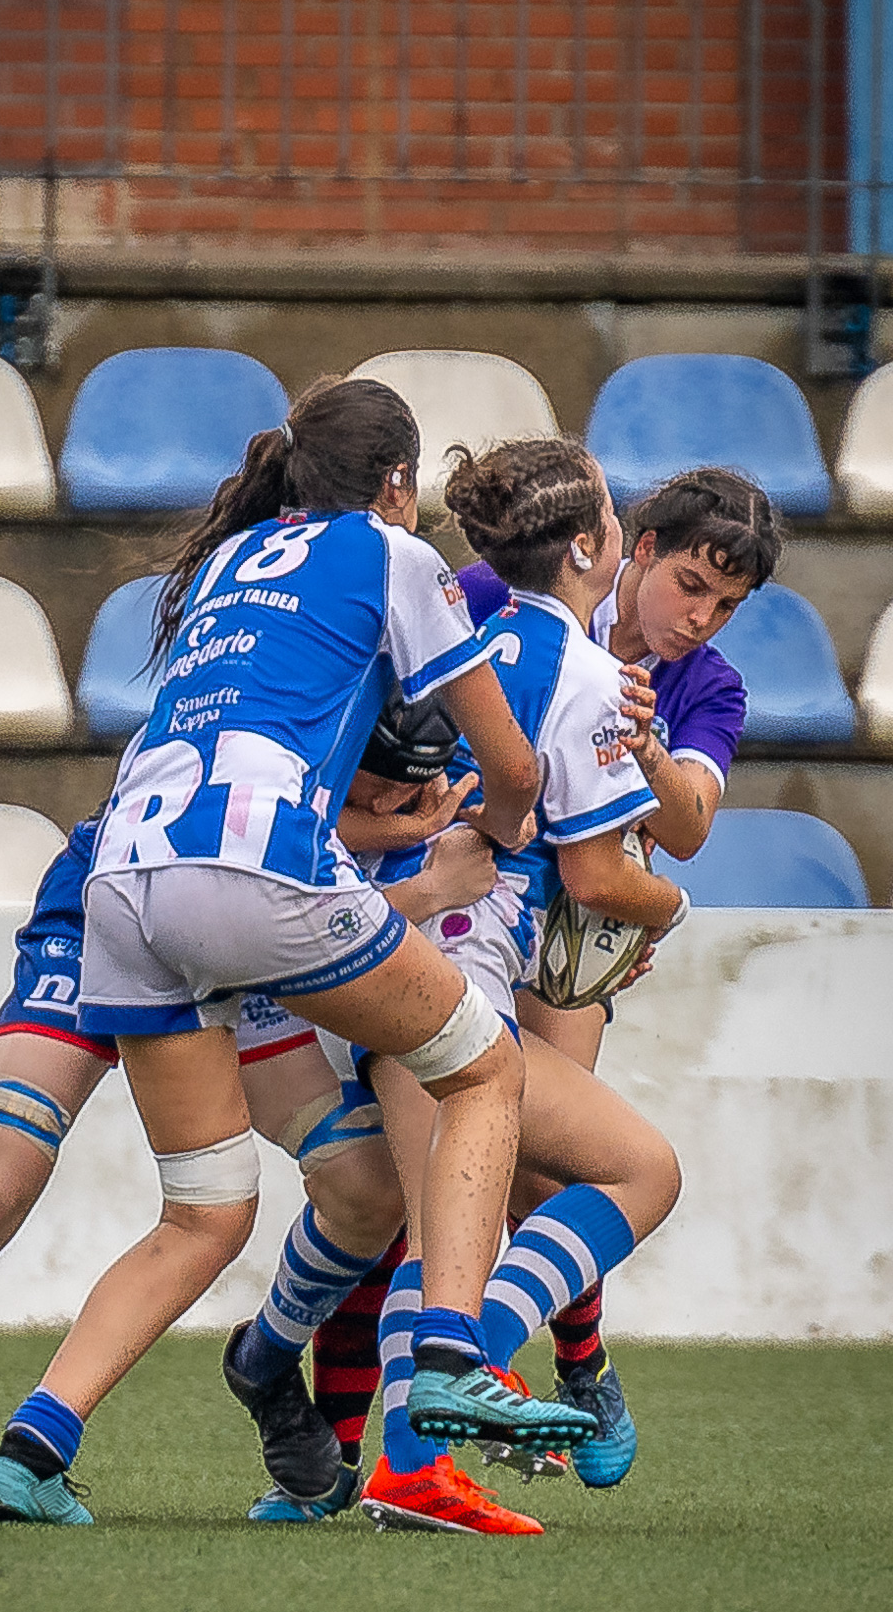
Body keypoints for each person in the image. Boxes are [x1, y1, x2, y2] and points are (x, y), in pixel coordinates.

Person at [0, 375, 603, 1525]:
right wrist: (499, 834)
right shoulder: (395, 554)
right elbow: (511, 766)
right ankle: (450, 1355)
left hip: (123, 886)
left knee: (207, 1211)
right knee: (482, 1069)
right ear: (398, 483)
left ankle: (31, 1452)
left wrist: (387, 830)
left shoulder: (227, 562)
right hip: (257, 876)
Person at [232, 436, 690, 1534]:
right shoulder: (588, 677)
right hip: (452, 982)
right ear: (587, 547)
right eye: (613, 516)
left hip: (378, 955)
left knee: (437, 1223)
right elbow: (598, 876)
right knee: (640, 1173)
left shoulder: (461, 646)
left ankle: (403, 1452)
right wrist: (667, 906)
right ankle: (453, 1387)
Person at [0, 815, 412, 1515]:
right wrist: (419, 834)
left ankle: (234, 1373)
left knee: (364, 1187)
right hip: (127, 891)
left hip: (239, 913)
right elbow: (302, 801)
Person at [452, 462, 780, 1483]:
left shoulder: (708, 687)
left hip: (569, 943)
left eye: (726, 605)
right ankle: (520, 1369)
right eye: (691, 585)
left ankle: (557, 1364)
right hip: (468, 901)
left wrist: (643, 749)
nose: (701, 619)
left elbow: (686, 829)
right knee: (477, 1162)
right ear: (639, 549)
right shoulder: (516, 594)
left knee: (545, 1167)